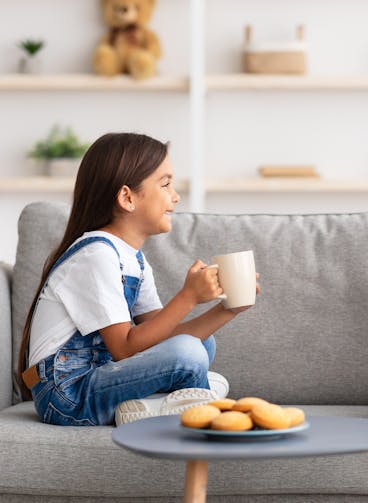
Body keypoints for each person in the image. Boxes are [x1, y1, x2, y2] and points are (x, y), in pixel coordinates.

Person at [17, 132, 258, 426]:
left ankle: (157, 405)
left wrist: (229, 309)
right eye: (166, 184)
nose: (176, 196)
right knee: (189, 352)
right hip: (66, 394)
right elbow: (125, 348)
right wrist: (188, 297)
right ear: (127, 198)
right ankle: (184, 402)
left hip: (99, 375)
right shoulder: (97, 255)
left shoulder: (134, 259)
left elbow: (160, 335)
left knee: (201, 346)